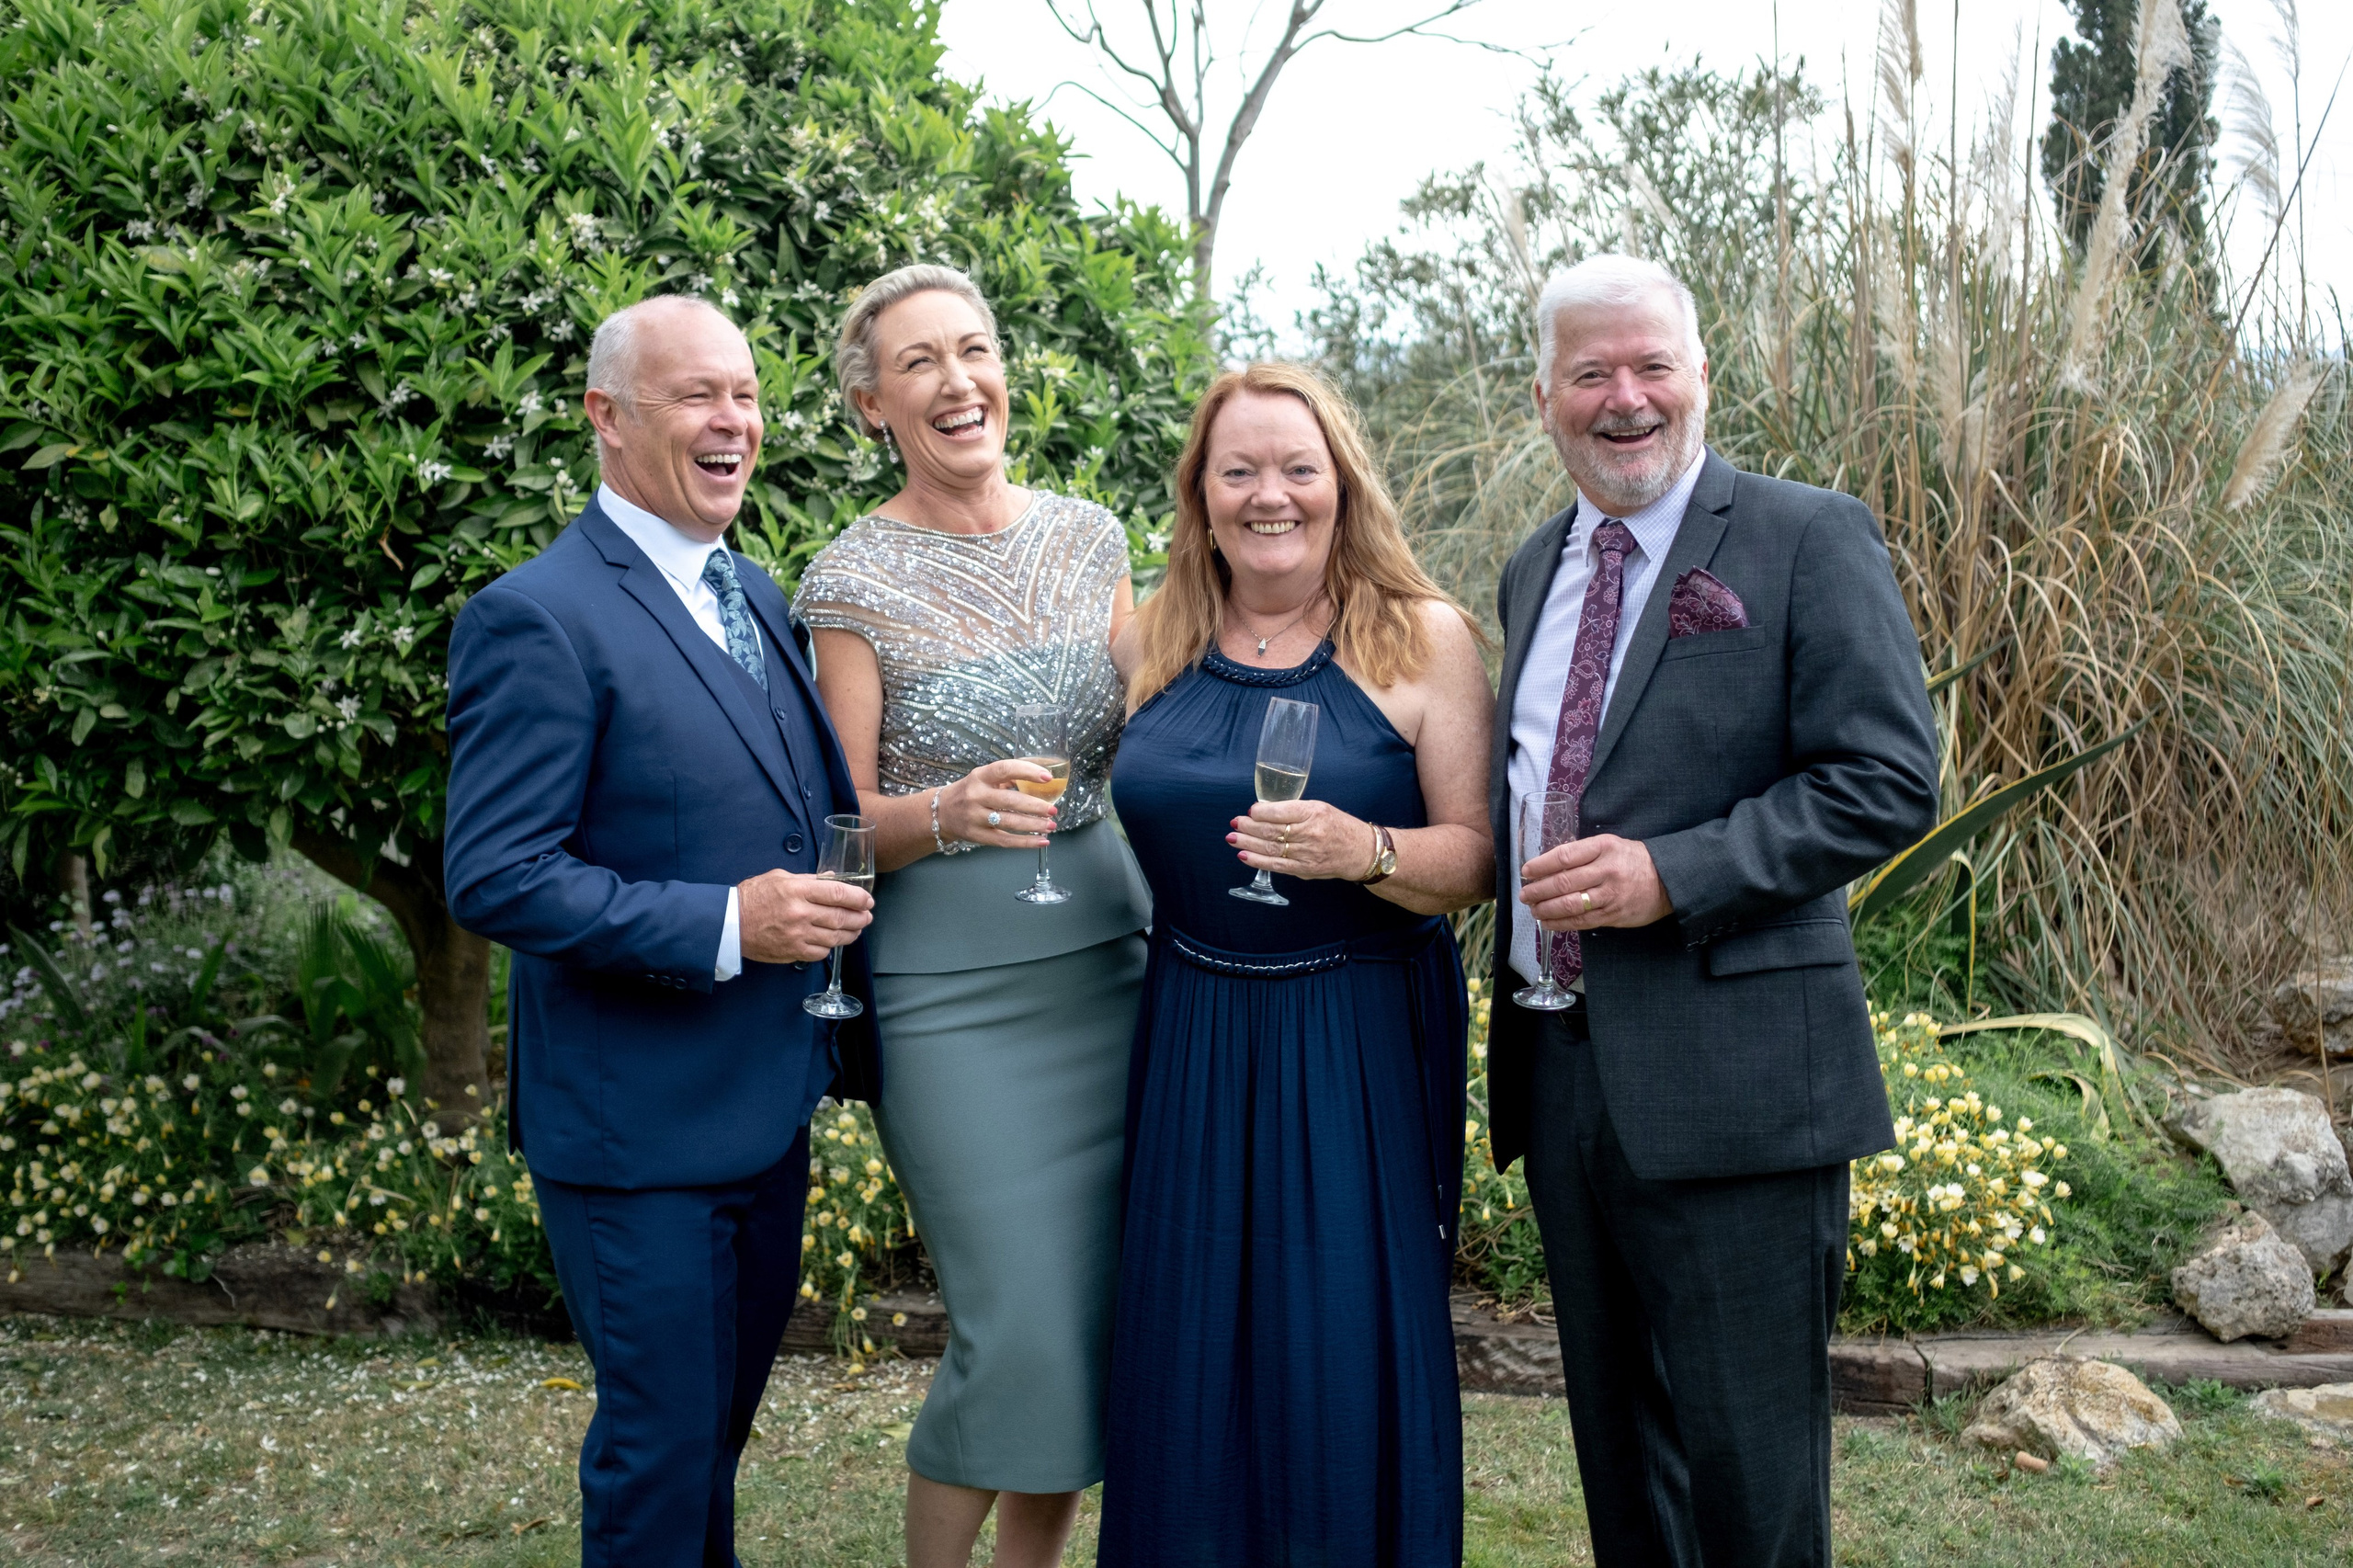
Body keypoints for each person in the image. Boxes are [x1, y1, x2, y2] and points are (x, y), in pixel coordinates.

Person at [1485, 253, 1939, 1566]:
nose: (1625, 398)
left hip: (1740, 1085)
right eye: (1591, 373)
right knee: (1625, 1472)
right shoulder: (1531, 568)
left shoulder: (1807, 535)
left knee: (1753, 1478)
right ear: (1544, 397)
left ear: (1701, 376)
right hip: (1562, 1072)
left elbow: (1887, 780)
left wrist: (1670, 874)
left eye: (1652, 366)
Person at [443, 296, 878, 1568]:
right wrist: (727, 922)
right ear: (608, 417)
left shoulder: (755, 589)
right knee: (661, 1458)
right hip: (633, 1134)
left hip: (764, 1111)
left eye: (744, 394)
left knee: (711, 1447)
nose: (733, 420)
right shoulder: (537, 615)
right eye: (697, 395)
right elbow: (498, 876)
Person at [1097, 362, 1495, 1565]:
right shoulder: (1153, 637)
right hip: (1191, 1024)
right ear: (1201, 494)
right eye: (1240, 471)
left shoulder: (1423, 638)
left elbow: (1477, 857)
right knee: (1187, 1336)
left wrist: (1364, 849)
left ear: (1342, 485)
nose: (1270, 494)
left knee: (1336, 1336)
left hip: (1352, 1032)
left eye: (1297, 469)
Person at [792, 263, 1153, 1568]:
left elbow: (1153, 735)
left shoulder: (1093, 538)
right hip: (953, 1000)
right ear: (872, 405)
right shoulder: (849, 579)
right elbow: (834, 823)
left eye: (975, 349)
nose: (958, 382)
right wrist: (946, 811)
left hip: (1113, 963)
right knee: (1020, 1327)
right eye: (920, 363)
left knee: (1094, 1324)